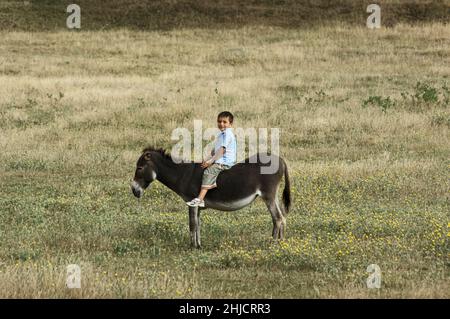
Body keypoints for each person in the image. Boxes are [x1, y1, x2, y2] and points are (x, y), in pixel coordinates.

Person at [186, 111, 237, 207]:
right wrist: (206, 159)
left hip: (225, 162)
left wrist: (210, 162)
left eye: (224, 122)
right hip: (220, 160)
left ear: (230, 124)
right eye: (219, 121)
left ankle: (200, 199)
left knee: (208, 172)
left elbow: (222, 150)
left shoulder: (228, 134)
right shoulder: (221, 135)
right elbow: (214, 151)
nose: (221, 124)